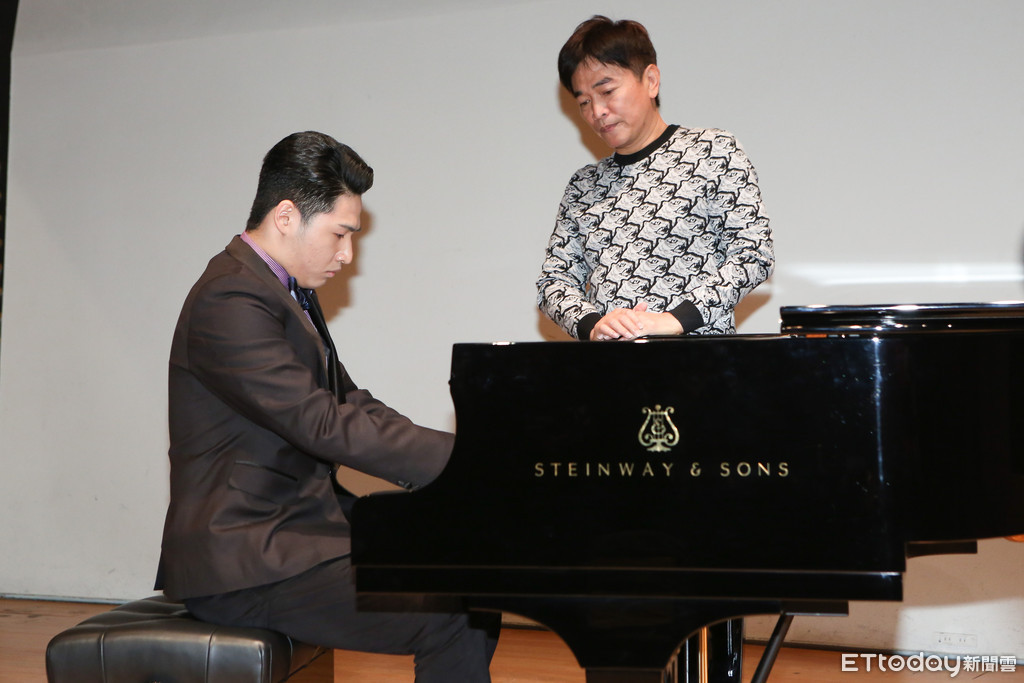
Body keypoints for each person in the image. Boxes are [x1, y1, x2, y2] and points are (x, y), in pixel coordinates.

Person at [155, 131, 498, 682]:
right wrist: (467, 464)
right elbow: (321, 423)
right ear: (286, 216)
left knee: (477, 569)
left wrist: (467, 457)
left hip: (294, 528)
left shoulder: (279, 290)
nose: (347, 255)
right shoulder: (231, 297)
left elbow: (351, 403)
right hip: (249, 555)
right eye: (340, 234)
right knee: (454, 610)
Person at [537, 15, 774, 342]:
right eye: (584, 102)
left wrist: (674, 320)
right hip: (609, 367)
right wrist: (594, 324)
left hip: (702, 361)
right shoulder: (584, 185)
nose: (597, 112)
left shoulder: (712, 151)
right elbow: (553, 282)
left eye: (607, 91)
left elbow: (753, 254)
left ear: (651, 81)